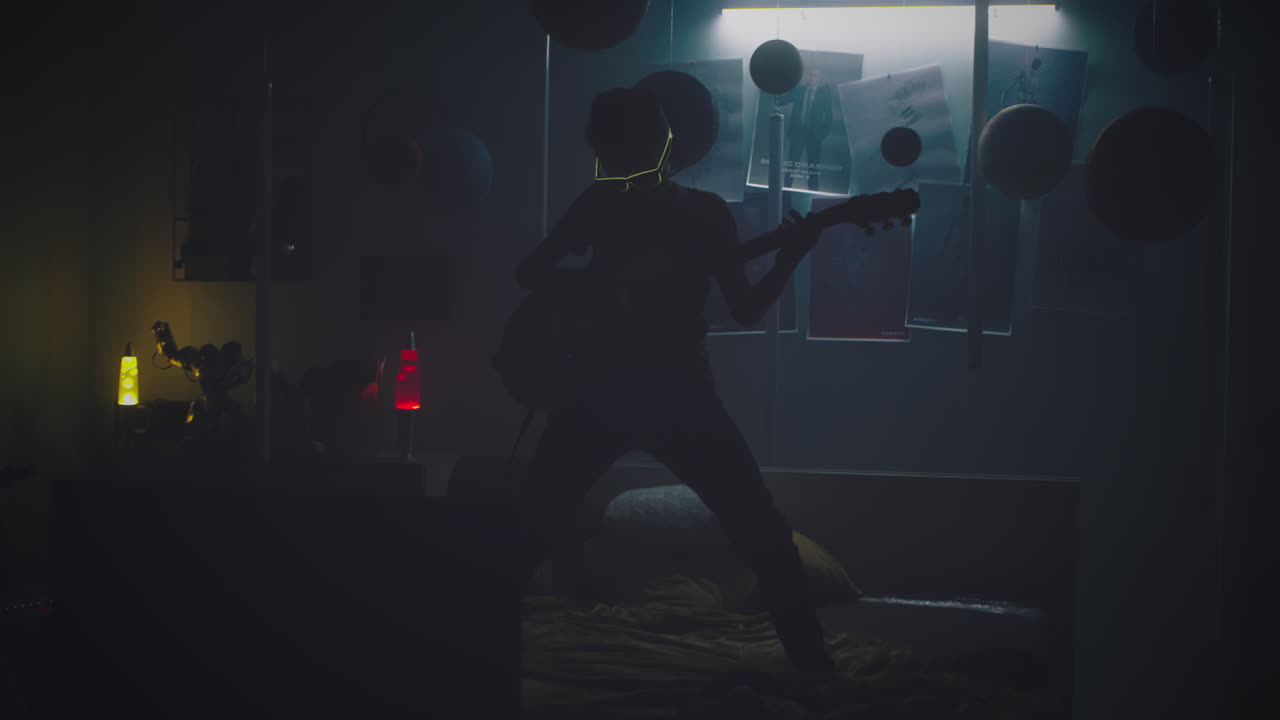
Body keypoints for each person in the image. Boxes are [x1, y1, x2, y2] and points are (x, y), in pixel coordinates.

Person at [513, 87, 835, 673]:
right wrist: (597, 286)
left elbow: (744, 309)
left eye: (660, 130)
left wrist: (794, 253)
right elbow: (530, 272)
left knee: (763, 535)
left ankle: (817, 675)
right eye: (649, 132)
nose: (663, 140)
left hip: (675, 393)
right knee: (532, 529)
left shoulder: (705, 212)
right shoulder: (601, 203)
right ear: (621, 146)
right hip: (602, 389)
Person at [781, 67, 834, 191]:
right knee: (792, 164)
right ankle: (785, 191)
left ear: (819, 78)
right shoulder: (798, 90)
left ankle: (813, 193)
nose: (813, 78)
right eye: (810, 75)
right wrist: (782, 84)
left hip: (814, 135)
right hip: (798, 132)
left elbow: (829, 116)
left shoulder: (824, 94)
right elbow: (781, 101)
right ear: (807, 76)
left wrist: (823, 134)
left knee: (813, 167)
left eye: (816, 76)